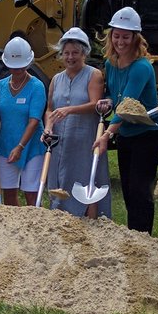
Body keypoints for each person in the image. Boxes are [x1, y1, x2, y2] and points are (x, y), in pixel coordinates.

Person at [94, 7, 158, 234]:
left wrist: (107, 134)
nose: (120, 41)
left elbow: (126, 105)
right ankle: (133, 234)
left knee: (140, 189)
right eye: (116, 36)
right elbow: (115, 96)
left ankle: (143, 237)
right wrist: (105, 100)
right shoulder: (110, 64)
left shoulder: (141, 67)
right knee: (126, 188)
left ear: (136, 38)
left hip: (147, 135)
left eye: (126, 37)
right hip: (126, 134)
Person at [44, 27, 109, 218]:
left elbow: (95, 104)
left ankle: (91, 222)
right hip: (60, 141)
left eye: (75, 53)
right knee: (59, 179)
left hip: (84, 139)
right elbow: (49, 108)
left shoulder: (93, 75)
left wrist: (69, 110)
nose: (70, 57)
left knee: (85, 177)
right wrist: (48, 127)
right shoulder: (56, 79)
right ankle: (60, 219)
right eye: (66, 53)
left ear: (84, 54)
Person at [0, 37, 47, 206]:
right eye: (13, 67)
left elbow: (34, 120)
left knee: (31, 194)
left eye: (21, 66)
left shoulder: (37, 87)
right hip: (6, 145)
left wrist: (20, 147)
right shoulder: (1, 85)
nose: (17, 70)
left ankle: (36, 227)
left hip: (31, 146)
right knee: (9, 194)